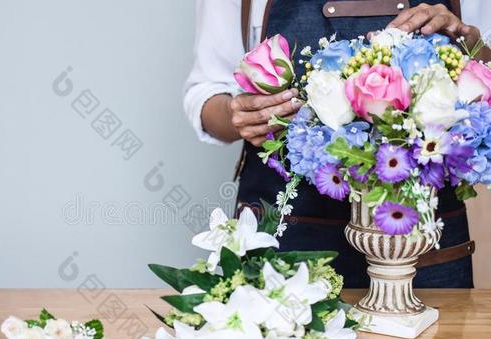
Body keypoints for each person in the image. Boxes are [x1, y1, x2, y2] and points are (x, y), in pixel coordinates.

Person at [184, 0, 491, 288]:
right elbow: (207, 91)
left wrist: (471, 46)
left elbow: (484, 64)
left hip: (424, 243)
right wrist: (235, 113)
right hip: (285, 235)